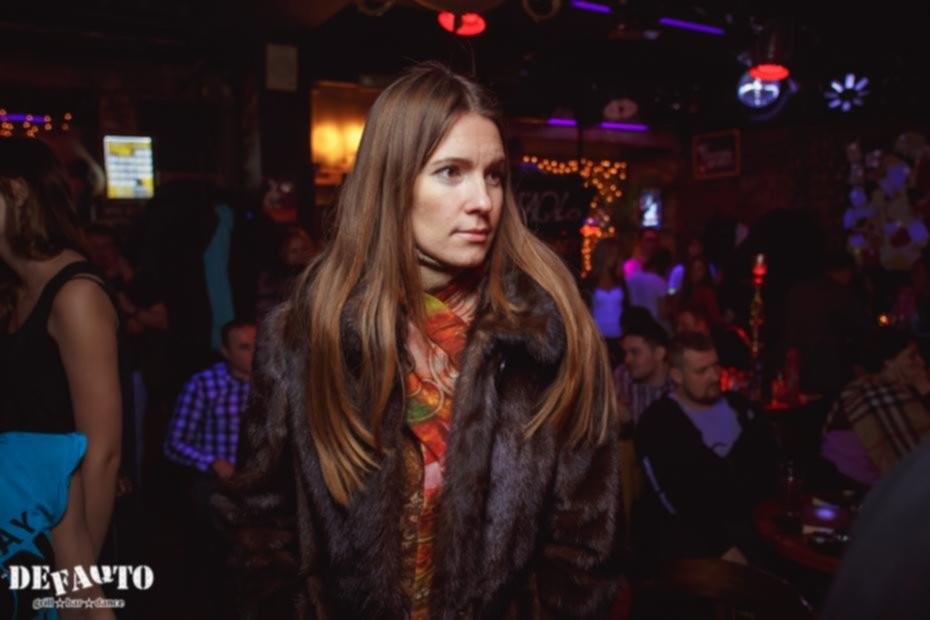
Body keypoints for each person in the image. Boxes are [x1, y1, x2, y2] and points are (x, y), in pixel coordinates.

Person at [217, 63, 624, 618]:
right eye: (451, 172)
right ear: (392, 182)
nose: (483, 201)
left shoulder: (548, 333)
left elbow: (583, 547)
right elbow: (260, 526)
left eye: (494, 175)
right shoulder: (306, 335)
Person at [0, 138, 122, 563]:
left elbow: (103, 454)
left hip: (62, 538)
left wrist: (75, 580)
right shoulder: (14, 291)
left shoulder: (75, 296)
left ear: (16, 191)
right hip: (18, 520)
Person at [633, 331, 776, 574]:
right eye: (702, 371)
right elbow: (675, 502)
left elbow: (768, 469)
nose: (715, 376)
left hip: (758, 528)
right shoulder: (659, 422)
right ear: (677, 376)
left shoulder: (740, 408)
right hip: (695, 545)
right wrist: (720, 546)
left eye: (715, 366)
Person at [164, 319, 256, 618]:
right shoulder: (204, 384)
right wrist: (212, 463)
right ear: (226, 352)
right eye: (244, 347)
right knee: (218, 555)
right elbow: (174, 443)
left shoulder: (273, 381)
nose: (254, 353)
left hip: (260, 483)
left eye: (257, 345)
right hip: (216, 485)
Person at [821, 328, 930, 487]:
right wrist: (924, 387)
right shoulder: (875, 391)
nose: (922, 363)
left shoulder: (903, 390)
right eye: (912, 356)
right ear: (889, 361)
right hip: (845, 484)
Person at [614, 309, 673, 428]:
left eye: (635, 352)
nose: (627, 360)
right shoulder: (623, 375)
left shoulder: (678, 382)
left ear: (659, 353)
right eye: (625, 353)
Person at [583, 237, 629, 367]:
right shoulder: (589, 282)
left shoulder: (620, 281)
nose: (616, 258)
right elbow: (584, 311)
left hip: (619, 337)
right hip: (597, 338)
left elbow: (627, 309)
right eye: (613, 254)